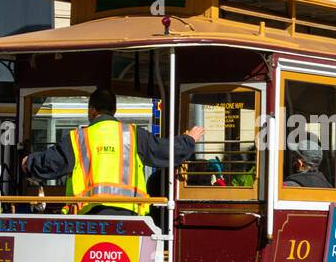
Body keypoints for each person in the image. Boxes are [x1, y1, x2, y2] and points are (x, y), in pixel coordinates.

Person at [21, 87, 203, 215]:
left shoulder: (78, 138)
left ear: (91, 110)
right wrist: (188, 140)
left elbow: (52, 163)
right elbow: (164, 151)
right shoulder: (133, 134)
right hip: (128, 214)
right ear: (114, 110)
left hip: (91, 215)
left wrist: (27, 162)